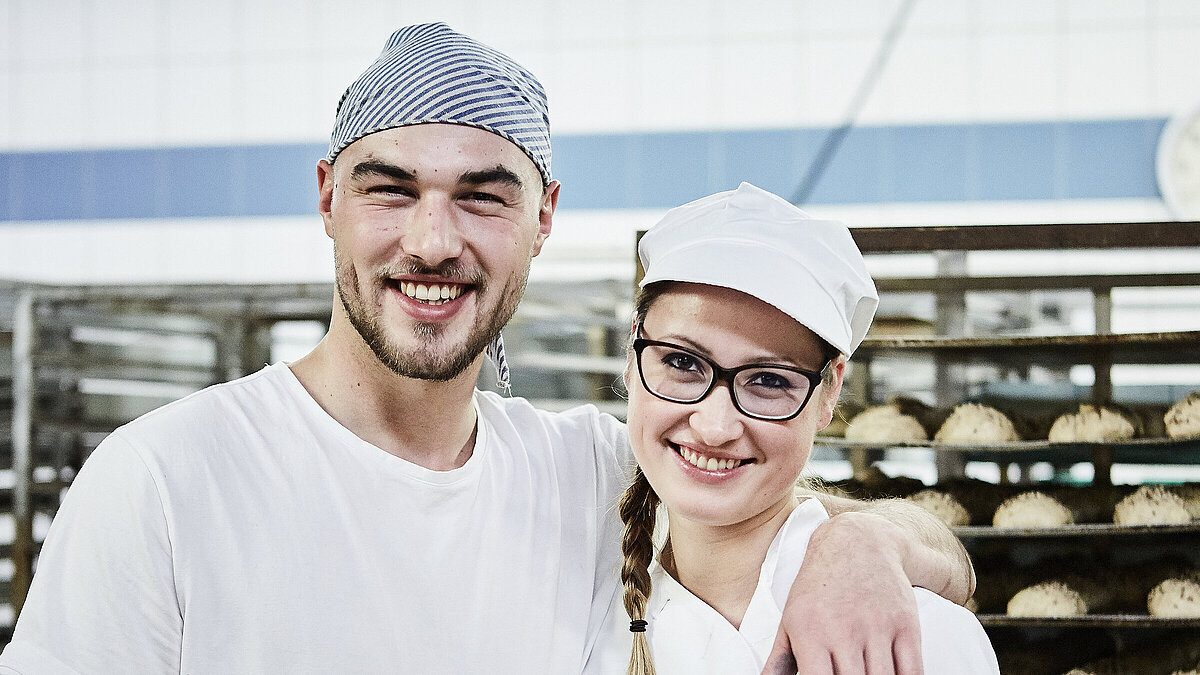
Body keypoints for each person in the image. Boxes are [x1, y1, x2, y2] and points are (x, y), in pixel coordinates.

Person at [0, 24, 972, 674]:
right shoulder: (166, 481)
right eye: (389, 188)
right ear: (326, 198)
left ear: (544, 217)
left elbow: (873, 539)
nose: (432, 240)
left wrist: (861, 543)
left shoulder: (584, 473)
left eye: (482, 193)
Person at [593, 183, 998, 674]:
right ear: (634, 354)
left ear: (829, 392)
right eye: (682, 362)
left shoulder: (914, 637)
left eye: (768, 380)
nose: (716, 426)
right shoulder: (583, 614)